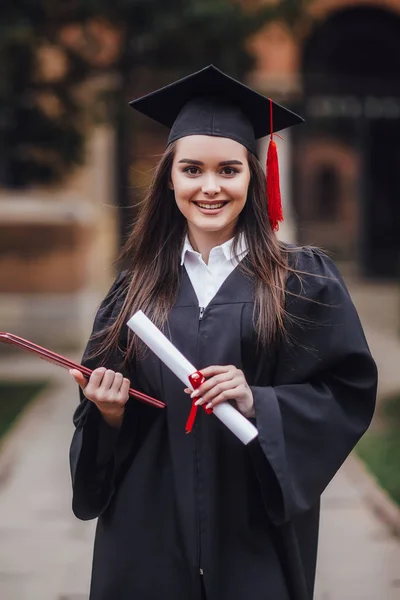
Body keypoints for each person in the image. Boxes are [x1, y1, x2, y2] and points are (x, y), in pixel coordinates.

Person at [69, 65, 377, 600]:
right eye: (192, 170)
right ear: (169, 179)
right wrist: (109, 413)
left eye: (228, 170)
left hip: (253, 530)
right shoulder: (133, 291)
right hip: (148, 535)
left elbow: (344, 393)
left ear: (253, 177)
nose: (210, 187)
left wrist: (257, 400)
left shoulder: (302, 282)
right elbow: (96, 422)